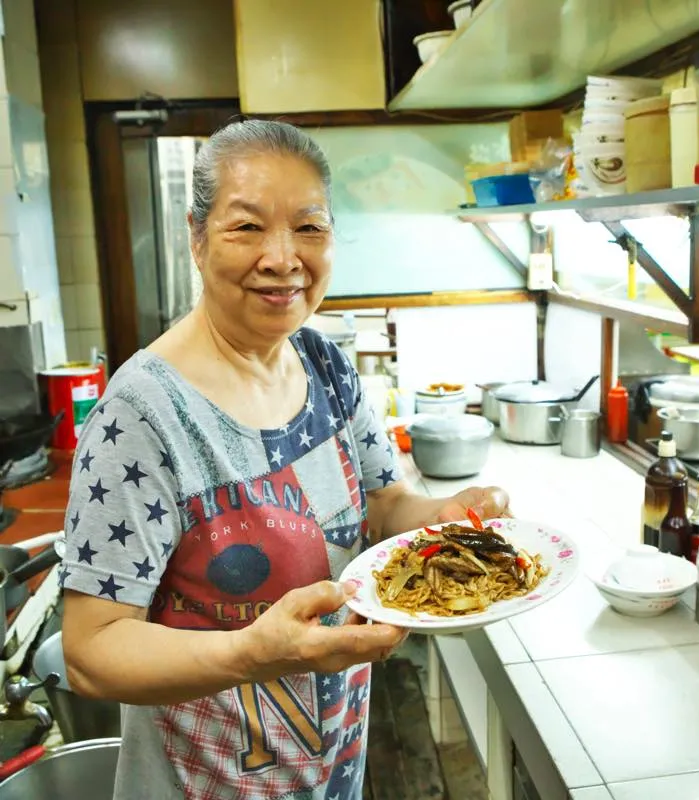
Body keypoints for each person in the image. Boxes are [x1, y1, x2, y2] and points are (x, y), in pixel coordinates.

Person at [60, 119, 510, 800]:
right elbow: (92, 651)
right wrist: (249, 655)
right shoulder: (142, 413)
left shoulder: (324, 363)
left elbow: (385, 502)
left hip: (333, 772)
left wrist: (442, 517)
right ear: (196, 235)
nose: (282, 258)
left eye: (308, 228)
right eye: (246, 228)